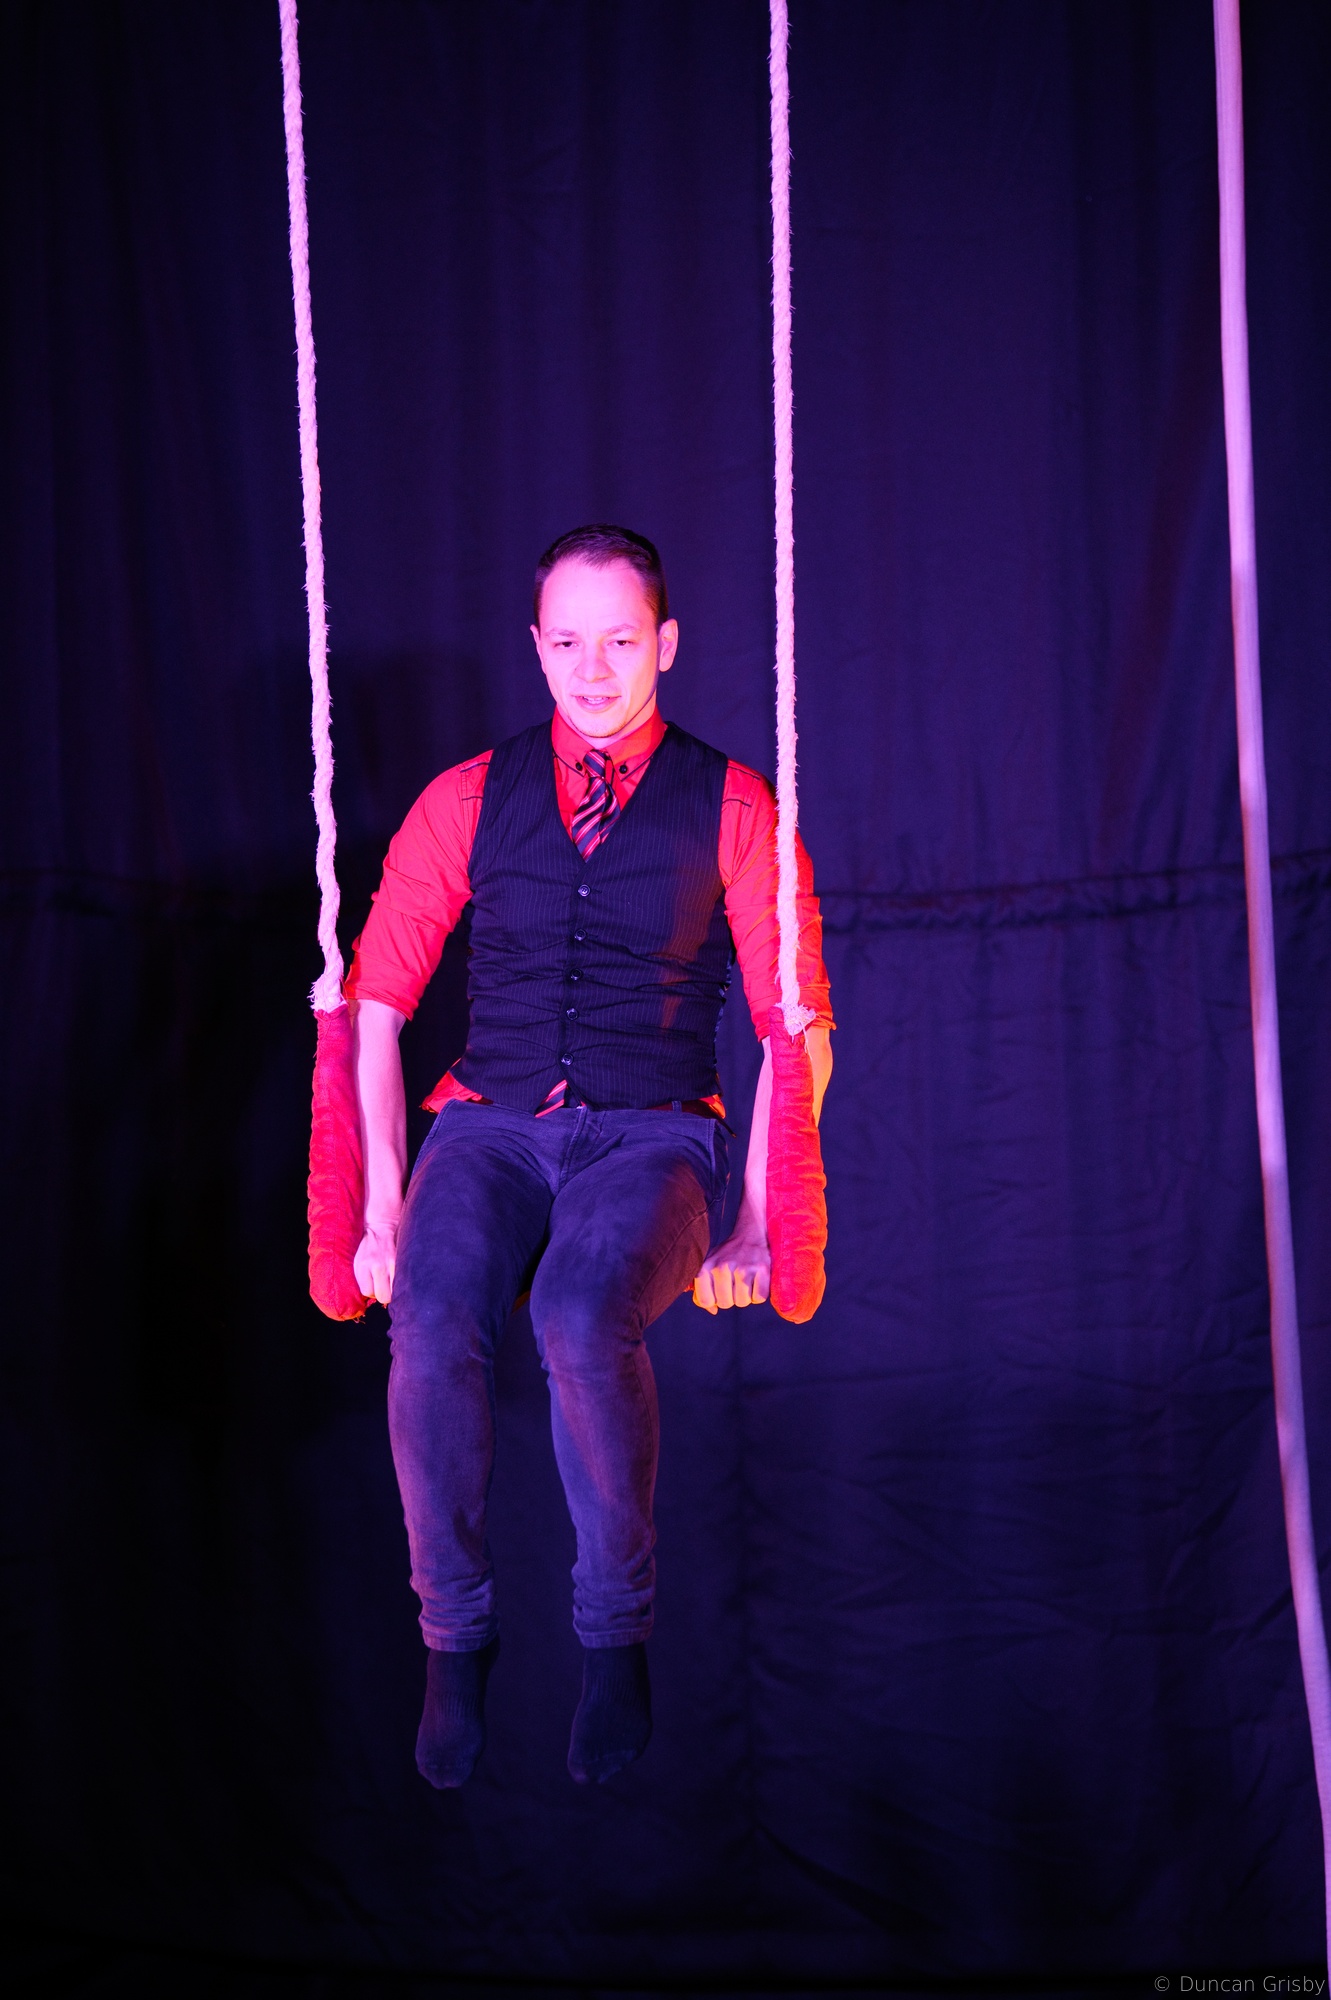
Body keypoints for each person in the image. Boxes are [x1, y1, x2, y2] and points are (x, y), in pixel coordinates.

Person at [346, 525, 832, 1788]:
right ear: (535, 646)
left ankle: (614, 1631)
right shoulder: (466, 797)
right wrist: (382, 1208)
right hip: (489, 1121)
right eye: (566, 641)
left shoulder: (733, 805)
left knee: (575, 1308)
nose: (592, 668)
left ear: (664, 643)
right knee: (431, 1310)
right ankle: (454, 1633)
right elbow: (376, 1004)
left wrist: (758, 1220)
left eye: (619, 640)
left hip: (652, 1128)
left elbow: (793, 1026)